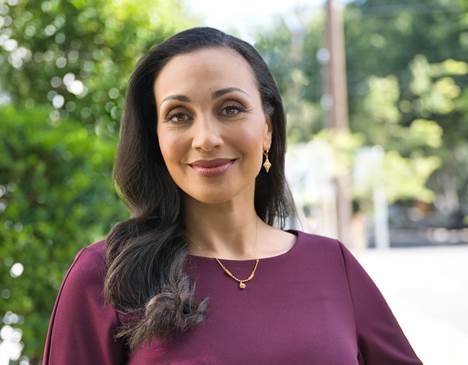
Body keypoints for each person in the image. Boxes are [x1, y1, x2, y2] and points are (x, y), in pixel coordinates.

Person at [42, 27, 423, 365]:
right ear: (155, 138)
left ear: (268, 129)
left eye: (231, 108)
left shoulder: (331, 264)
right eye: (178, 115)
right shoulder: (106, 274)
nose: (206, 138)